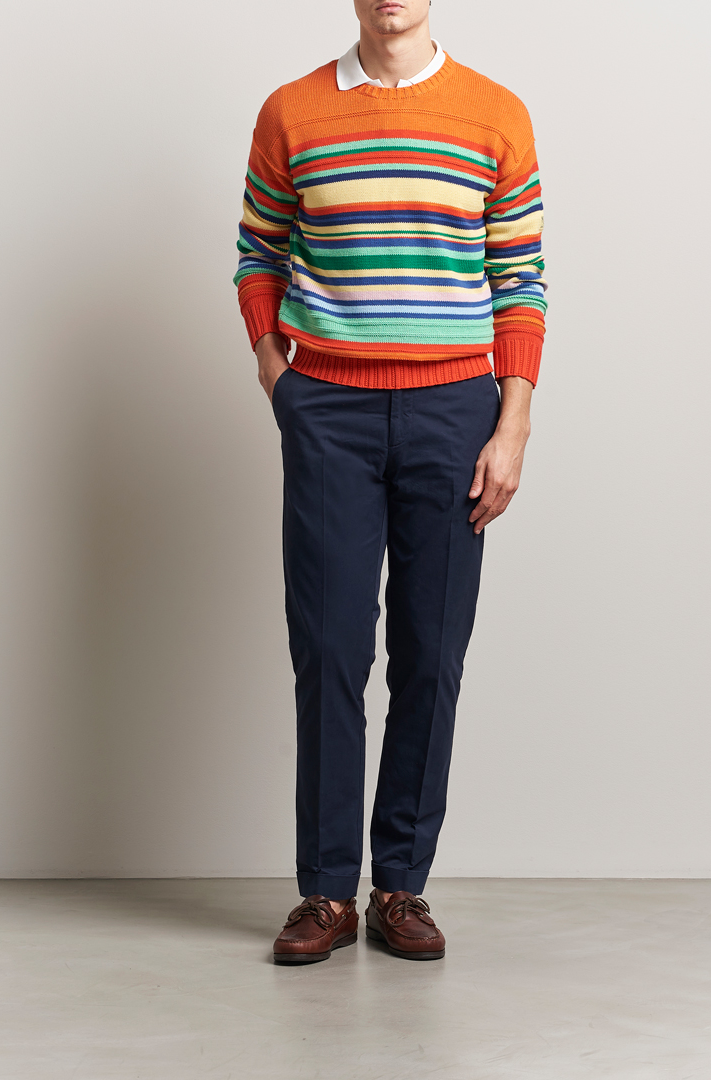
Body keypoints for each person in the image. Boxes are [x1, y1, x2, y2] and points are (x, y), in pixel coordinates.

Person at [234, 0, 546, 964]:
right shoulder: (292, 111)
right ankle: (326, 891)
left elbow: (520, 279)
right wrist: (278, 376)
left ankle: (400, 883)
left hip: (455, 413)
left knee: (431, 654)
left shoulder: (496, 114)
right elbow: (257, 252)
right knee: (329, 649)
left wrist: (512, 424)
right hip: (329, 409)